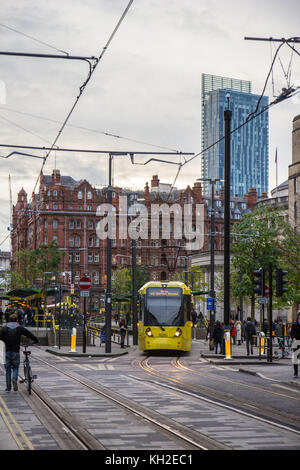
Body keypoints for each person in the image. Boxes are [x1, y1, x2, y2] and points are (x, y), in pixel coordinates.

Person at [0, 313, 39, 392]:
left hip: (7, 351)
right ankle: (14, 379)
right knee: (15, 368)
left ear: (9, 320)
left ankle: (8, 388)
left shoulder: (4, 328)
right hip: (16, 352)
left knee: (7, 370)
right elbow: (29, 334)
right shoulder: (19, 328)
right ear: (17, 320)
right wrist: (36, 340)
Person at [291, 312, 300, 378]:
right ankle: (295, 373)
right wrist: (293, 338)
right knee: (295, 358)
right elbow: (292, 332)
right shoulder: (294, 323)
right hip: (296, 341)